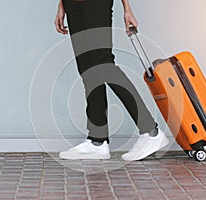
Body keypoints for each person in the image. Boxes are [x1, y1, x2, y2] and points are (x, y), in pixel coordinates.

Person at [55, 0, 169, 161]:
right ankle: (97, 141)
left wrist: (127, 8)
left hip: (96, 4)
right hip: (72, 4)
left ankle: (151, 131)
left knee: (103, 64)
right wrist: (61, 5)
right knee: (88, 69)